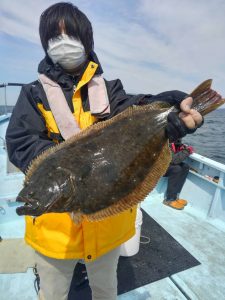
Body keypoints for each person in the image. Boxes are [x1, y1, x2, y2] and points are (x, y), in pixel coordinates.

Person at [5, 3, 203, 300]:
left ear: (87, 40)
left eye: (70, 35)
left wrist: (168, 107)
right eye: (54, 38)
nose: (63, 45)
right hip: (54, 231)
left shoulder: (109, 90)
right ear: (45, 44)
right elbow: (21, 142)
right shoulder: (33, 94)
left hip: (107, 229)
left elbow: (134, 110)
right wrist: (63, 170)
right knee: (53, 293)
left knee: (106, 289)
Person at [163, 139, 194, 210]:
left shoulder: (175, 141)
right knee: (176, 169)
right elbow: (174, 160)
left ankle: (176, 196)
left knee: (185, 167)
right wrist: (187, 151)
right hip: (159, 169)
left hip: (167, 165)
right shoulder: (166, 143)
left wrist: (181, 148)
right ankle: (169, 199)